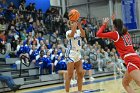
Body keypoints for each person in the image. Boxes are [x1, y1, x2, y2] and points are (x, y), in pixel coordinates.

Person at [96, 16, 140, 93]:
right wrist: (114, 21)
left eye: (113, 26)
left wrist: (104, 24)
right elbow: (120, 27)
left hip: (130, 60)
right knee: (125, 83)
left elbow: (98, 34)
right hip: (135, 57)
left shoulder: (115, 34)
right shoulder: (126, 33)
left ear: (115, 27)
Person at [65, 20, 85, 93]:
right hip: (71, 53)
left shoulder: (79, 31)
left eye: (74, 22)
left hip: (78, 53)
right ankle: (67, 91)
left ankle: (79, 91)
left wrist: (79, 26)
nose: (74, 24)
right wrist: (74, 26)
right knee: (70, 74)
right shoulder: (68, 32)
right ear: (69, 25)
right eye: (72, 23)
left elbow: (83, 35)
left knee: (80, 73)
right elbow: (72, 35)